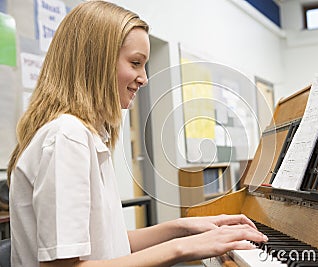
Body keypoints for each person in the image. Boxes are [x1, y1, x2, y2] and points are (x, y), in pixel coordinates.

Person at [7, 1, 267, 267]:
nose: (143, 78)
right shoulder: (67, 136)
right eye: (135, 63)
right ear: (96, 61)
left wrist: (183, 227)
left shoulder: (84, 134)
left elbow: (110, 243)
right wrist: (183, 248)